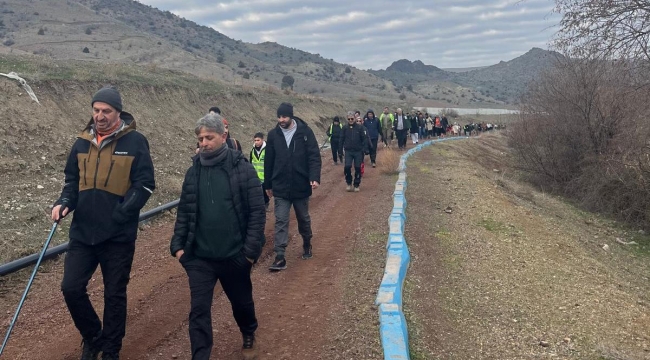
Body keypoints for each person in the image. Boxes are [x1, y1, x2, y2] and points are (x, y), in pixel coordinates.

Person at [51, 86, 155, 360]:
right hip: (83, 233)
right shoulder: (81, 142)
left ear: (118, 112)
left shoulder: (136, 141)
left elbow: (145, 185)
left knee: (114, 295)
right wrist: (63, 202)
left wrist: (123, 212)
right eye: (96, 110)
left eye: (106, 111)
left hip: (118, 236)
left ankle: (111, 350)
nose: (100, 116)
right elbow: (72, 183)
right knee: (70, 288)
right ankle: (93, 336)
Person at [170, 113, 265, 360]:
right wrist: (178, 248)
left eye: (209, 137)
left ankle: (248, 332)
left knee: (241, 304)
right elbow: (185, 211)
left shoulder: (242, 169)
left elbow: (257, 212)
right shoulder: (193, 172)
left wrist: (249, 254)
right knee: (198, 310)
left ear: (223, 137)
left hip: (235, 255)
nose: (203, 143)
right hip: (200, 258)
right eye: (200, 138)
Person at [264, 102, 321, 271]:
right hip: (280, 185)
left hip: (300, 185)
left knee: (303, 218)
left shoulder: (305, 132)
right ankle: (280, 255)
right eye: (279, 117)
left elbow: (314, 156)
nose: (281, 120)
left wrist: (314, 177)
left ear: (291, 116)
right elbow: (269, 161)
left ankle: (307, 242)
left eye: (284, 117)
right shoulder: (273, 135)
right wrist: (268, 184)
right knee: (281, 219)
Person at [340, 111, 369, 192]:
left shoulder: (360, 128)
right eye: (349, 119)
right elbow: (341, 139)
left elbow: (364, 139)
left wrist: (365, 149)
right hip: (348, 151)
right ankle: (349, 182)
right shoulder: (344, 128)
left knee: (357, 168)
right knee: (347, 167)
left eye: (352, 118)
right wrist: (340, 150)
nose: (350, 120)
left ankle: (356, 184)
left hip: (358, 151)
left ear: (355, 118)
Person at [250, 132, 270, 211]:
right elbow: (251, 161)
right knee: (257, 192)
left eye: (258, 140)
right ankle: (261, 205)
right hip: (256, 175)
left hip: (265, 175)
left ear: (262, 140)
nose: (256, 142)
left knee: (265, 192)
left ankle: (266, 203)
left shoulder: (268, 149)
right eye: (255, 140)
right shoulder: (253, 150)